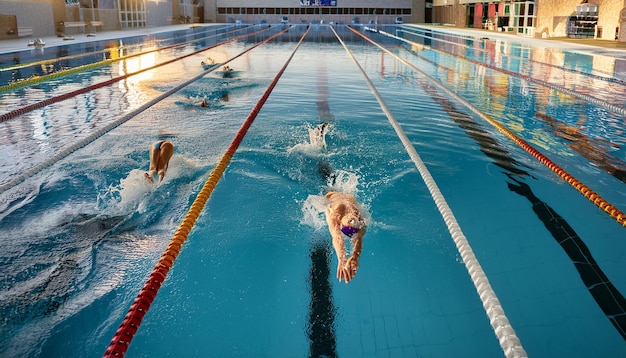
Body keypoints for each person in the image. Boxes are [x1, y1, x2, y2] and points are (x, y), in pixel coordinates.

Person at [324, 191, 366, 283]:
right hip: (330, 195)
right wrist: (341, 259)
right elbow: (337, 237)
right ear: (340, 222)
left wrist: (355, 257)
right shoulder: (335, 214)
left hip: (348, 196)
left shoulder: (359, 220)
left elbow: (358, 238)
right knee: (326, 211)